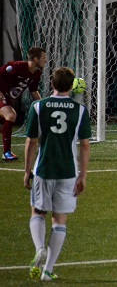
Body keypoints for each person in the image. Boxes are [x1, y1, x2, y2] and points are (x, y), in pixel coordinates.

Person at [23, 67, 91, 281]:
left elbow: (31, 141)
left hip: (43, 169)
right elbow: (85, 145)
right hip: (68, 171)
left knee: (38, 212)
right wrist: (83, 175)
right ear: (72, 86)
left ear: (51, 83)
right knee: (59, 220)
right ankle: (48, 270)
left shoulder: (38, 106)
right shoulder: (80, 110)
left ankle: (39, 247)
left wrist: (27, 171)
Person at [0, 46, 47, 161]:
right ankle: (6, 153)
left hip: (9, 99)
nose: (45, 60)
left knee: (5, 122)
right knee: (11, 115)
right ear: (36, 59)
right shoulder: (16, 67)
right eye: (44, 58)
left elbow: (33, 91)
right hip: (2, 96)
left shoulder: (36, 73)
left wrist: (42, 105)